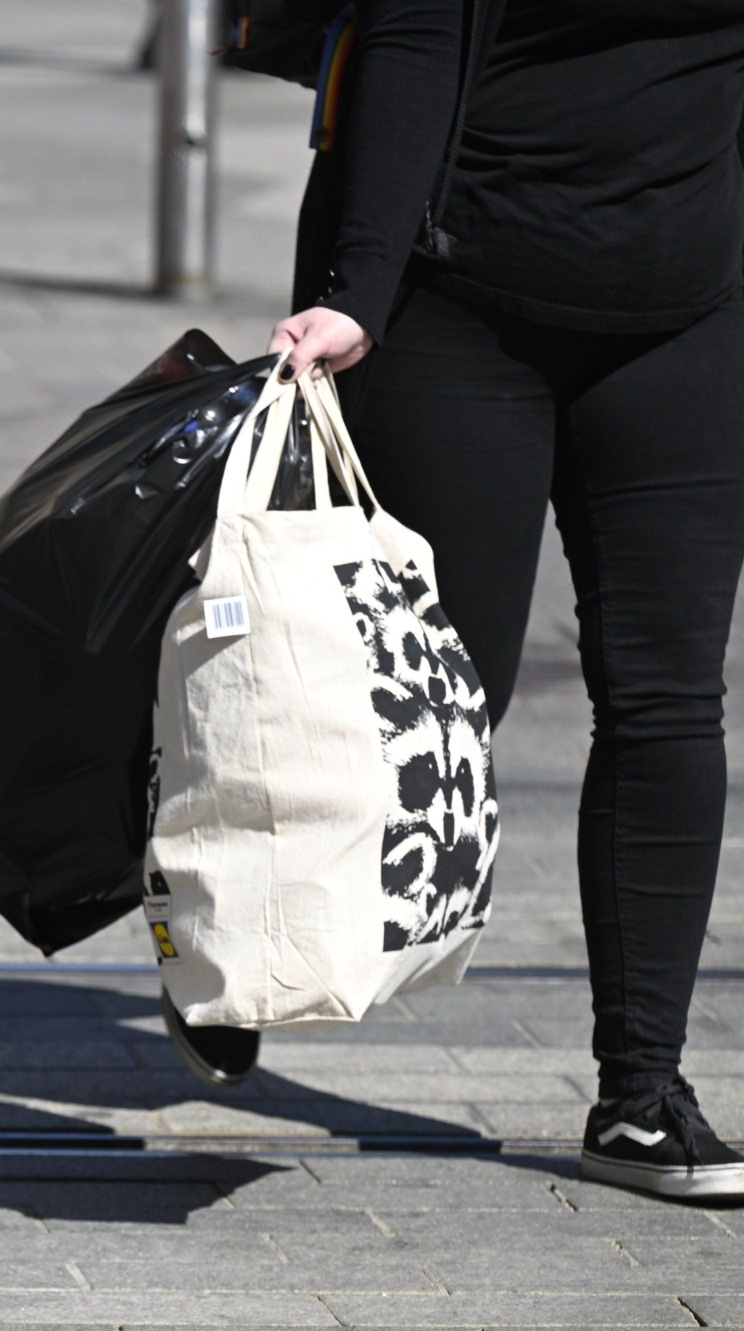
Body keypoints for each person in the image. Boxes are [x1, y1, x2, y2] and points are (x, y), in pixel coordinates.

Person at [264, 0, 744, 1198]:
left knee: (666, 697)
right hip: (456, 301)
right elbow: (415, 38)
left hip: (689, 312)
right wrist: (359, 286)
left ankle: (641, 1098)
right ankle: (221, 920)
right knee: (430, 703)